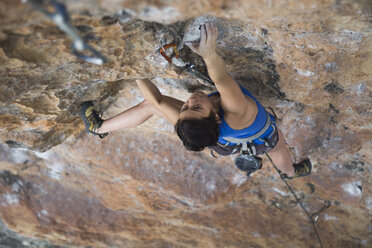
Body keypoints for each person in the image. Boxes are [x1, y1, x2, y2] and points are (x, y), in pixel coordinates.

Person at [80, 22, 311, 180]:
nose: (190, 100)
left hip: (219, 142)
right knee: (278, 145)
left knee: (151, 105)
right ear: (217, 116)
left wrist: (133, 69)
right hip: (255, 136)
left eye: (185, 107)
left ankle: (98, 127)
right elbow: (220, 78)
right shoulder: (237, 111)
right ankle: (289, 172)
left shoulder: (195, 122)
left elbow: (158, 101)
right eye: (197, 106)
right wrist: (209, 53)